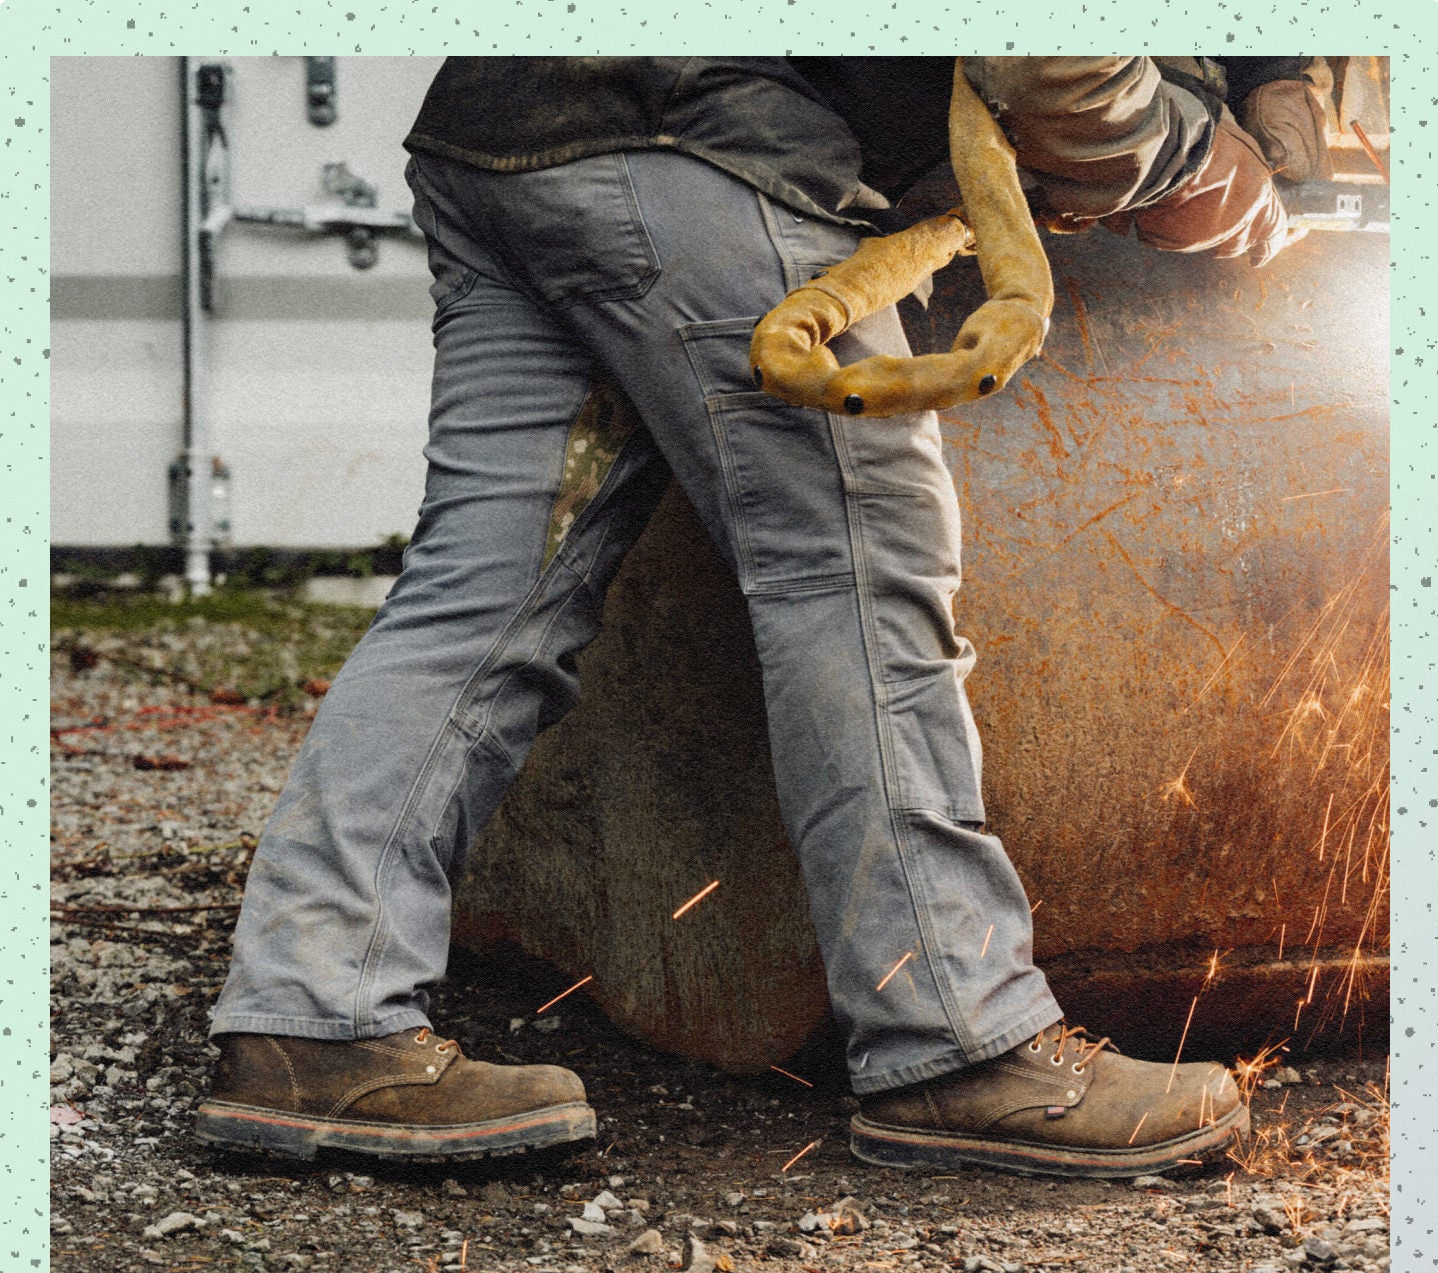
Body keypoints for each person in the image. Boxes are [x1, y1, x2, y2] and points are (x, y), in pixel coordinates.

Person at [197, 57, 1307, 1179]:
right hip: (696, 147)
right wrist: (1184, 152)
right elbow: (1051, 59)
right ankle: (958, 1042)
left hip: (505, 137)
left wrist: (1273, 72)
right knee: (856, 580)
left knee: (483, 592)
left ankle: (308, 1017)